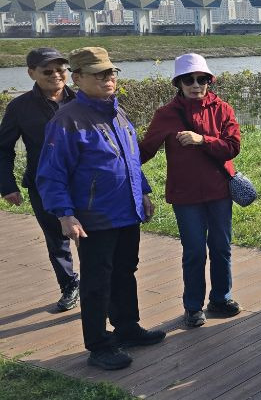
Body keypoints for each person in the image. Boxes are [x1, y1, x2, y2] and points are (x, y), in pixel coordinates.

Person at [36, 47, 166, 370]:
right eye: (99, 74)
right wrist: (65, 214)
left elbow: (130, 159)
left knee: (125, 270)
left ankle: (127, 327)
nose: (108, 78)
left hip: (127, 211)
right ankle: (98, 345)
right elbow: (51, 174)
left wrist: (143, 192)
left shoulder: (117, 112)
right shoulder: (67, 120)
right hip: (95, 217)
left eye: (110, 72)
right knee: (96, 282)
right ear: (78, 78)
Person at [139, 53, 242, 328]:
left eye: (202, 79)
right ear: (178, 83)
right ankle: (193, 306)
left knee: (221, 248)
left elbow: (232, 147)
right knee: (194, 251)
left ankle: (220, 298)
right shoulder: (166, 114)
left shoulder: (222, 109)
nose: (196, 85)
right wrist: (112, 161)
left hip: (219, 191)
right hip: (186, 196)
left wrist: (202, 140)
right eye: (189, 80)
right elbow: (144, 151)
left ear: (209, 81)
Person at [0, 48, 79, 312]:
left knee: (92, 236)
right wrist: (7, 185)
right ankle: (69, 284)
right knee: (57, 239)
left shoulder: (82, 100)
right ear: (31, 73)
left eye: (61, 69)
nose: (56, 75)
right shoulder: (19, 107)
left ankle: (97, 284)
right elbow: (3, 149)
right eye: (48, 70)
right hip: (42, 185)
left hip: (83, 183)